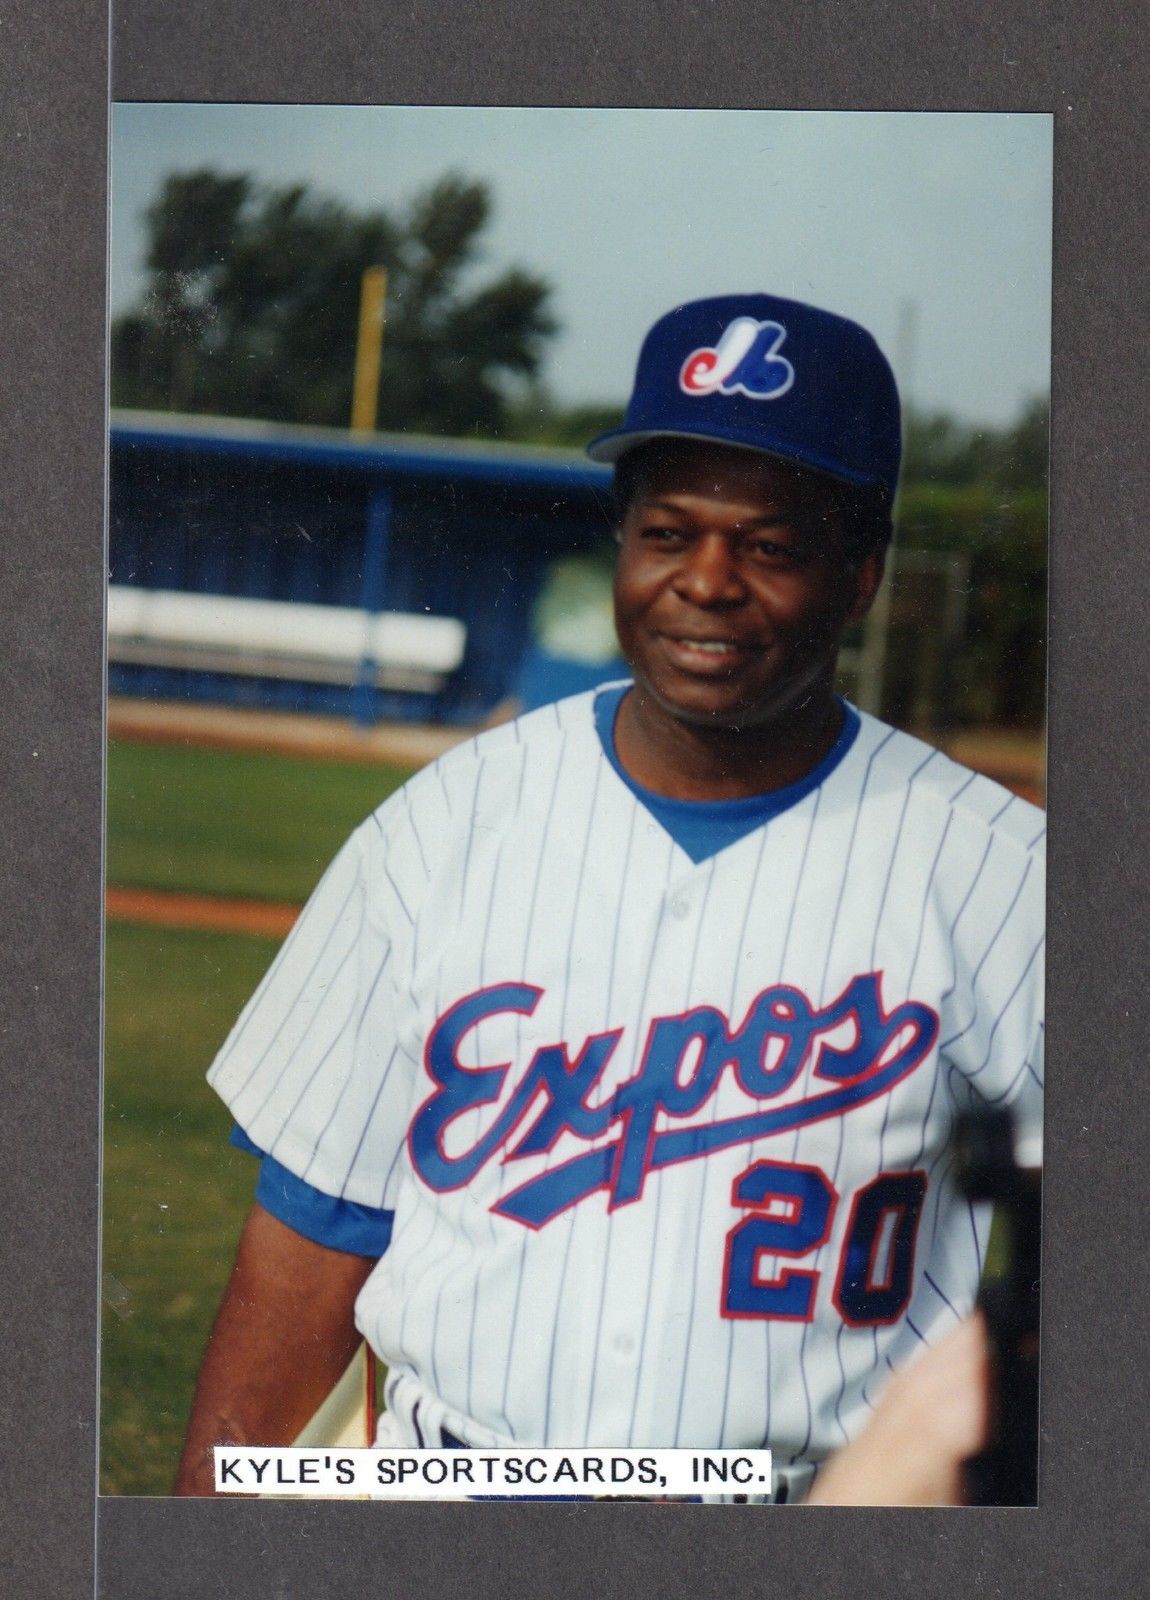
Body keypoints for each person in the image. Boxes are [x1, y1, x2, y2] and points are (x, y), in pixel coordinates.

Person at [174, 293, 1044, 1503]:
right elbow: (307, 1240)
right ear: (621, 543)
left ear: (860, 578)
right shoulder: (437, 831)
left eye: (772, 545)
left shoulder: (1006, 878)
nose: (708, 581)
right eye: (668, 532)